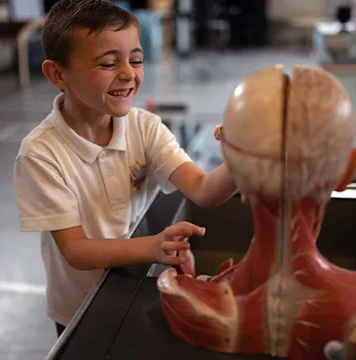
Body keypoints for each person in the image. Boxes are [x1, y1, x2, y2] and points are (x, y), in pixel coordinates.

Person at [13, 0, 238, 338]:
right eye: (108, 63)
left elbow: (204, 190)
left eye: (136, 60)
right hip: (80, 304)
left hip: (136, 284)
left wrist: (239, 159)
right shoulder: (42, 153)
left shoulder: (145, 127)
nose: (129, 74)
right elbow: (75, 249)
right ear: (57, 73)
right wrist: (153, 247)